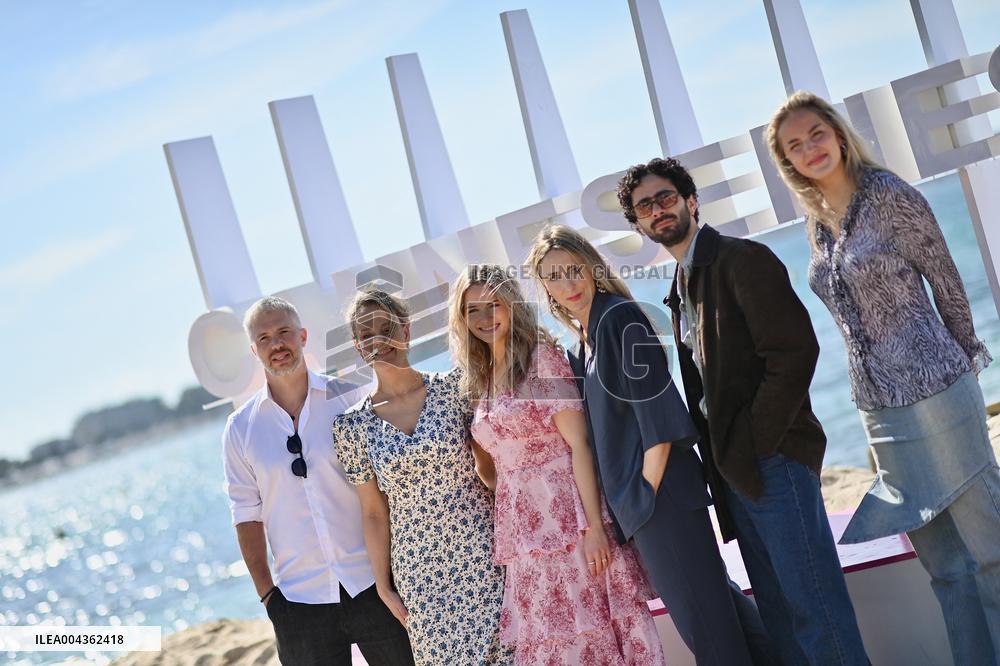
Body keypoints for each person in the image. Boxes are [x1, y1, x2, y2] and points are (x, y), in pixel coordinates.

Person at [768, 90, 1000, 665]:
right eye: (795, 146)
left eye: (815, 133)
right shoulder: (817, 226)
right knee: (942, 564)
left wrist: (965, 365)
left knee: (988, 544)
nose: (810, 148)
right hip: (877, 408)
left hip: (936, 392)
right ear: (787, 163)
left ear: (839, 133)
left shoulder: (891, 196)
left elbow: (947, 283)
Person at [617, 157, 870, 665]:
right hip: (735, 471)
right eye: (645, 207)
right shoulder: (680, 286)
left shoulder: (740, 259)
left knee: (815, 612)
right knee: (780, 616)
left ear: (691, 201)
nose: (658, 210)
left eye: (666, 197)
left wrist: (757, 442)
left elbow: (794, 353)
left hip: (771, 460)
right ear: (640, 225)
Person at [527, 226, 775, 666]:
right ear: (543, 288)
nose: (568, 284)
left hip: (662, 500)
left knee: (709, 633)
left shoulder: (619, 318)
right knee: (723, 614)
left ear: (591, 266)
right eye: (553, 277)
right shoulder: (583, 343)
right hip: (647, 508)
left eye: (573, 270)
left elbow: (659, 419)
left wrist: (642, 496)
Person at [449, 264, 665, 665]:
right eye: (472, 309)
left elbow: (580, 445)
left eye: (494, 305)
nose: (484, 318)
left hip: (569, 521)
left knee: (595, 631)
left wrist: (595, 528)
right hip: (525, 538)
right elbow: (493, 464)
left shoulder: (542, 359)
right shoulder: (478, 378)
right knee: (553, 642)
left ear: (512, 304)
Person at [221, 296, 414, 665]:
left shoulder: (351, 398)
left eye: (284, 332)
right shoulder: (240, 429)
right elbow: (245, 515)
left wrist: (393, 574)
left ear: (303, 336)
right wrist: (269, 597)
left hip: (373, 583)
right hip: (298, 602)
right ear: (253, 350)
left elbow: (387, 487)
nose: (276, 344)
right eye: (264, 338)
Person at [332, 288, 511, 666]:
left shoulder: (455, 388)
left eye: (387, 328)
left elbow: (491, 468)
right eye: (367, 335)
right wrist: (384, 586)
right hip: (420, 575)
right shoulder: (351, 427)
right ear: (358, 346)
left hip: (483, 552)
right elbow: (374, 513)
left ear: (406, 331)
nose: (378, 340)